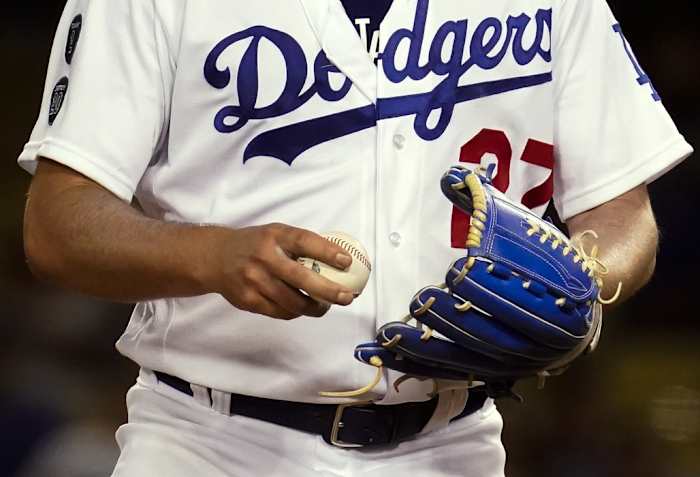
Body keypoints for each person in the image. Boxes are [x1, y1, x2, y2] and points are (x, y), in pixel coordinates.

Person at [19, 0, 692, 476]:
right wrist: (210, 255)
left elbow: (623, 210)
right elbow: (57, 222)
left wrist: (587, 278)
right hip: (209, 443)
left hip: (451, 447)